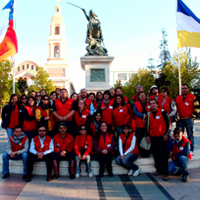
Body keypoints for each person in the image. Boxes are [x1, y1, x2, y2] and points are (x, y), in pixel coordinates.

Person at [145, 99, 170, 181]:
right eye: (151, 104)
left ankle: (165, 173)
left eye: (154, 103)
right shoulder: (149, 114)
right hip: (153, 137)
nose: (152, 105)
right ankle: (158, 170)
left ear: (157, 104)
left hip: (161, 137)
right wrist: (147, 135)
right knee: (155, 155)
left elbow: (168, 124)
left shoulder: (163, 112)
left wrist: (166, 135)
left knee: (163, 155)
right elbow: (147, 126)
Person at [176, 84, 199, 155]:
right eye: (182, 88)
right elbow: (175, 108)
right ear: (181, 90)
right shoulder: (178, 98)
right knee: (179, 135)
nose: (184, 90)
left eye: (185, 88)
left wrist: (192, 116)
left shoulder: (192, 97)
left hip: (189, 119)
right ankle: (180, 148)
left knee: (190, 135)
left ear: (188, 89)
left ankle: (191, 149)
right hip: (180, 120)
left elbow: (197, 107)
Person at [134, 91, 151, 157]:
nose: (142, 96)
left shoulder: (149, 103)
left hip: (148, 124)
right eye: (140, 95)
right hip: (139, 124)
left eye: (143, 95)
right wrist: (142, 115)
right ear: (138, 97)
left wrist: (147, 115)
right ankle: (140, 152)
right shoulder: (136, 104)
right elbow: (135, 112)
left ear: (146, 96)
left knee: (148, 138)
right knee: (140, 138)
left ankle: (147, 151)